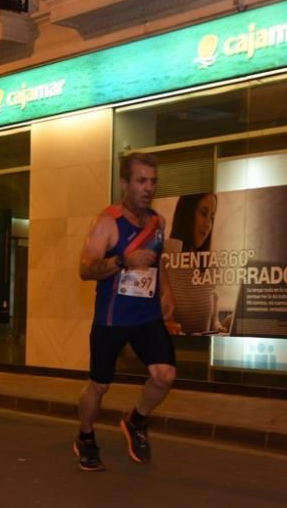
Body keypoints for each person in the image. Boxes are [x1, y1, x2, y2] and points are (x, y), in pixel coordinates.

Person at [75, 152, 177, 471]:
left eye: (153, 181)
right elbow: (85, 269)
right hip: (112, 319)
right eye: (141, 181)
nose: (148, 188)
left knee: (165, 376)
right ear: (124, 183)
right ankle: (85, 437)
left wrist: (166, 290)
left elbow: (157, 261)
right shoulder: (107, 222)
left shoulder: (158, 222)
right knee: (99, 386)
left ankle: (135, 421)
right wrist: (122, 260)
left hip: (146, 317)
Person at [163, 192, 230, 335]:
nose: (208, 224)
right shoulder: (164, 260)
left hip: (202, 353)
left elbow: (213, 321)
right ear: (186, 214)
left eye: (211, 217)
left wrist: (223, 326)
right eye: (203, 213)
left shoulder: (210, 265)